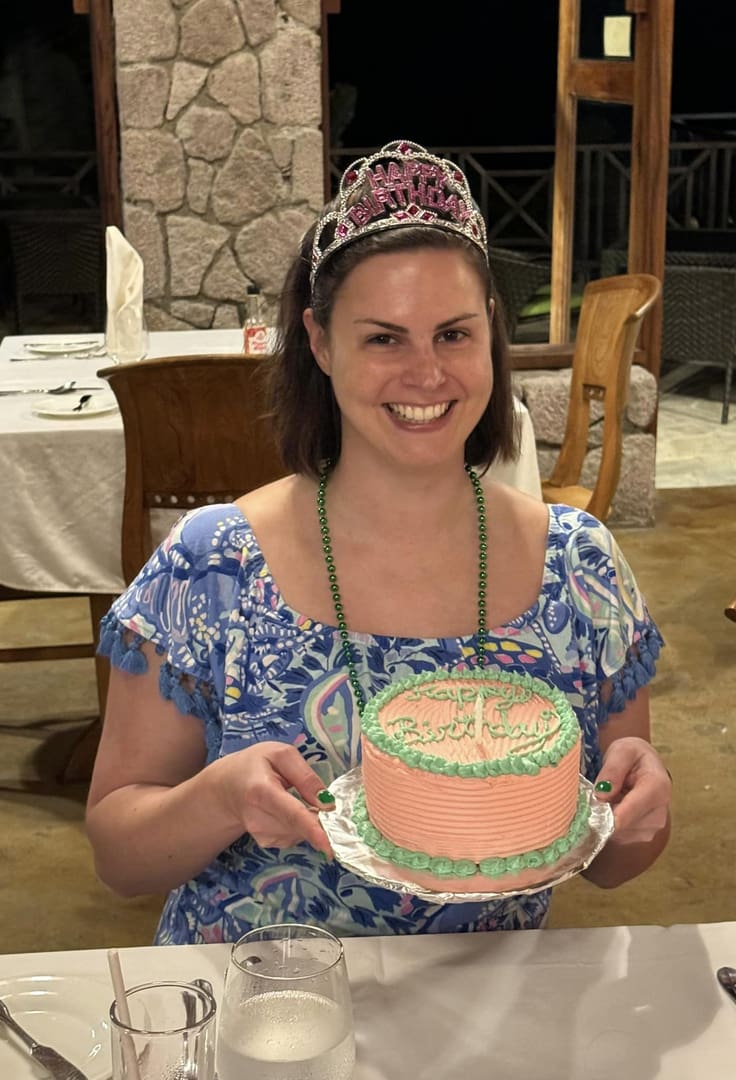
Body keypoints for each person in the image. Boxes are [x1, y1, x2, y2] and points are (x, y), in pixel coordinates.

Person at [86, 140, 672, 944]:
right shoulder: (212, 565)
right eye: (384, 339)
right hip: (267, 1018)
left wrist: (643, 816)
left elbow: (606, 856)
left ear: (491, 337)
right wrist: (219, 798)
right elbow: (119, 854)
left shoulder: (579, 569)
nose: (426, 374)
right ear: (321, 344)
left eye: (454, 335)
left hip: (491, 1017)